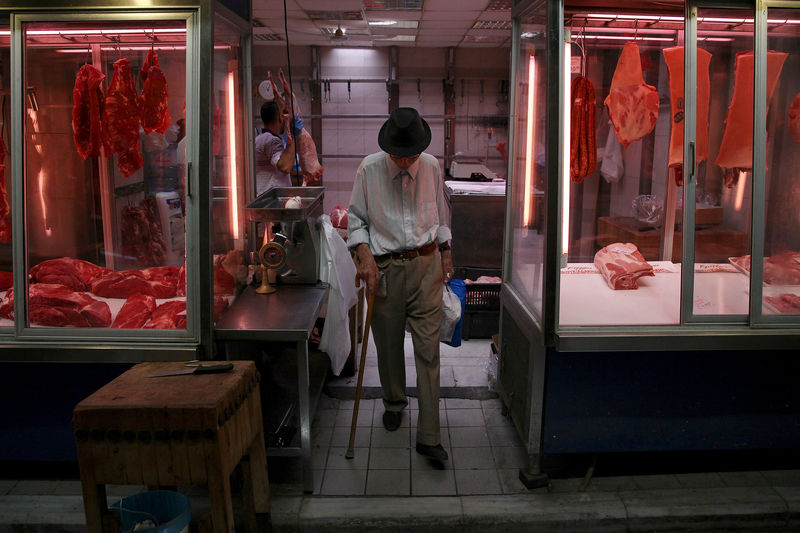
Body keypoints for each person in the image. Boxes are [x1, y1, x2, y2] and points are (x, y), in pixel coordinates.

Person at [347, 107, 455, 463]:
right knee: (389, 346)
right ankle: (394, 401)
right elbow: (357, 221)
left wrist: (447, 252)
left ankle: (429, 435)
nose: (406, 162)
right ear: (388, 149)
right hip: (386, 270)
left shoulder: (432, 166)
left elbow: (439, 214)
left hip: (427, 266)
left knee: (428, 350)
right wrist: (363, 254)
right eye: (400, 155)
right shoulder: (369, 169)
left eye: (412, 155)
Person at [254, 100, 295, 195]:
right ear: (280, 118)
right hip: (273, 200)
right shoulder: (271, 140)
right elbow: (285, 167)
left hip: (264, 197)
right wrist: (292, 136)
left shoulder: (259, 139)